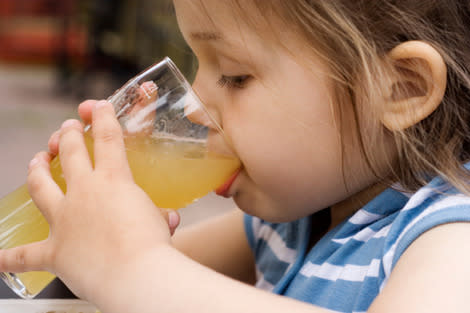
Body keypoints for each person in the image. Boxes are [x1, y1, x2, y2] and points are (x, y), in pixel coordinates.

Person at [1, 1, 470, 312]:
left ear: (400, 89)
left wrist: (132, 267)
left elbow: (141, 274)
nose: (193, 106)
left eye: (235, 75)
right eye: (195, 65)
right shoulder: (291, 221)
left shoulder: (448, 234)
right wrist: (105, 220)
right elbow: (115, 274)